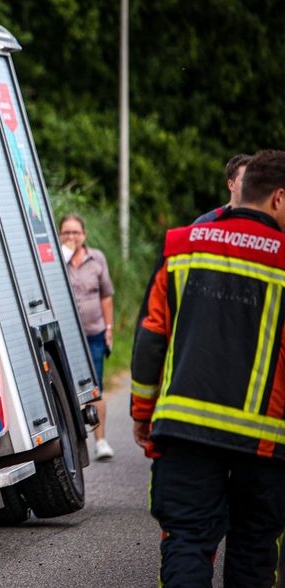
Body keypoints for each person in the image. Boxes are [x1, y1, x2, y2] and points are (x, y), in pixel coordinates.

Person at [130, 149, 285, 586]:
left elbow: (149, 339)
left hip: (184, 433)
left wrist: (143, 414)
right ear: (278, 199)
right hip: (265, 444)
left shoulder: (182, 246)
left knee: (186, 543)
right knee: (254, 552)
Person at [59, 214, 115, 460]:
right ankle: (72, 441)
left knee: (95, 388)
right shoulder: (58, 260)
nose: (71, 237)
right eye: (66, 233)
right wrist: (64, 254)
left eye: (75, 232)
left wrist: (109, 328)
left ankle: (101, 441)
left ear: (84, 235)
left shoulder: (97, 259)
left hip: (94, 334)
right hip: (67, 337)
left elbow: (106, 295)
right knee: (68, 388)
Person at [192, 153, 251, 224]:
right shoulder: (207, 222)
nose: (252, 185)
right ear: (231, 185)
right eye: (246, 180)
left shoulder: (265, 223)